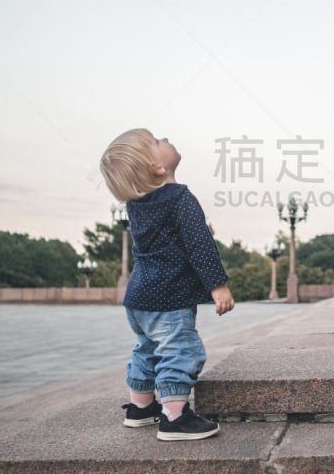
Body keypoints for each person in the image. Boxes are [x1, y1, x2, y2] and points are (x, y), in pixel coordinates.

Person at [99, 128, 235, 441]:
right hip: (168, 298)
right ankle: (174, 417)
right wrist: (217, 285)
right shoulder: (180, 199)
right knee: (179, 350)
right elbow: (199, 244)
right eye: (157, 142)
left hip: (138, 296)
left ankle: (140, 408)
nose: (166, 138)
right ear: (157, 167)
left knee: (147, 349)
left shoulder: (137, 206)